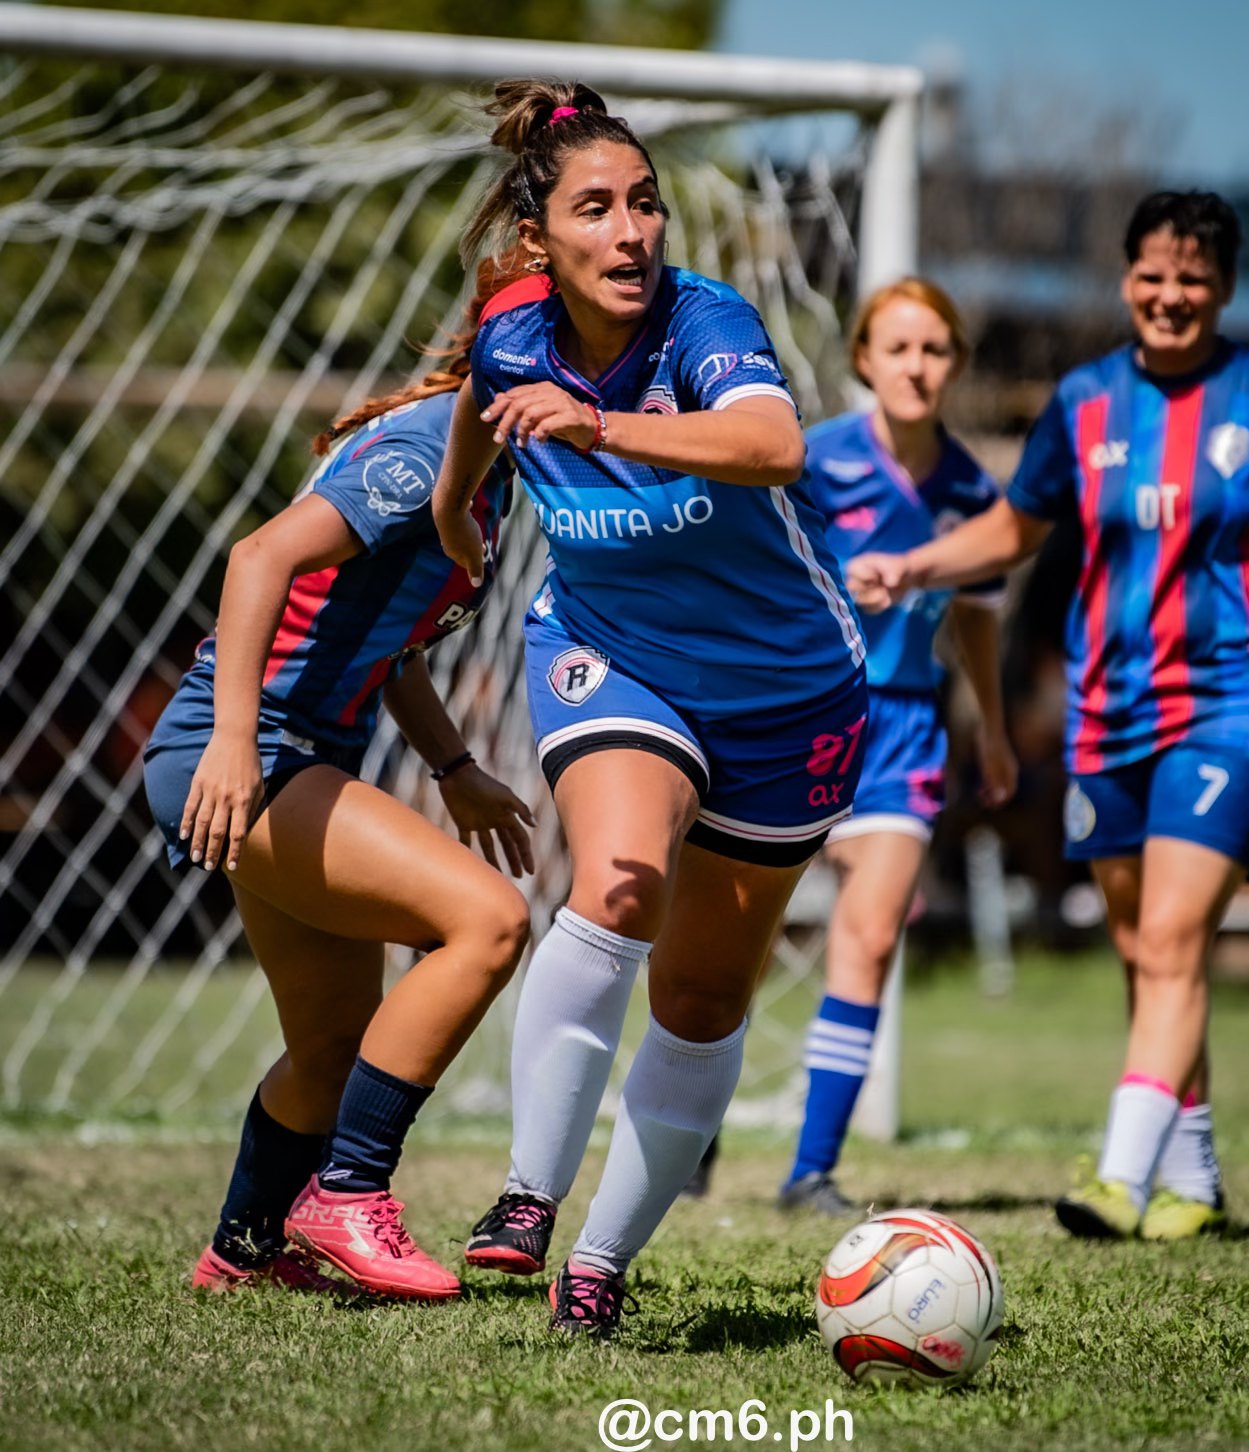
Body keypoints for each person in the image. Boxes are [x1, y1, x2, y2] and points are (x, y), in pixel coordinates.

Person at [849, 190, 1249, 1241]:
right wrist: (915, 564)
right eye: (1153, 275)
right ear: (1129, 280)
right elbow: (1014, 528)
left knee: (1172, 934)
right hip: (1109, 712)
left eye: (1193, 277)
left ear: (1223, 288)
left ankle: (1118, 1179)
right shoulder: (1084, 402)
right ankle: (1195, 1178)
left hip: (1240, 702)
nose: (1171, 295)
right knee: (1143, 947)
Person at [432, 79, 868, 1336]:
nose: (631, 234)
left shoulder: (706, 321)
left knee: (698, 1001)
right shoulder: (512, 327)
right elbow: (482, 394)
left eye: (646, 205)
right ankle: (525, 1197)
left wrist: (603, 422)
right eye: (596, 210)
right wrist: (463, 501)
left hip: (790, 698)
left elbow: (775, 445)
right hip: (610, 652)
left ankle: (600, 1263)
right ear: (540, 241)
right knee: (616, 884)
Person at [143, 298, 534, 1300]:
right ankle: (348, 1195)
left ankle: (240, 1254)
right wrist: (235, 743)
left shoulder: (483, 483)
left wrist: (456, 769)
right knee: (488, 922)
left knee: (328, 1051)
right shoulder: (420, 448)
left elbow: (391, 650)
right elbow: (257, 559)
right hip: (248, 749)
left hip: (296, 753)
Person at [776, 277, 1017, 1215]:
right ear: (865, 361)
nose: (917, 365)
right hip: (797, 719)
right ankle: (699, 1126)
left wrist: (993, 729)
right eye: (898, 347)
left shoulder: (972, 491)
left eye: (935, 349)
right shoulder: (810, 461)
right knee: (735, 940)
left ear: (953, 364)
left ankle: (810, 1173)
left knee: (869, 938)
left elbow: (981, 621)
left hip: (908, 725)